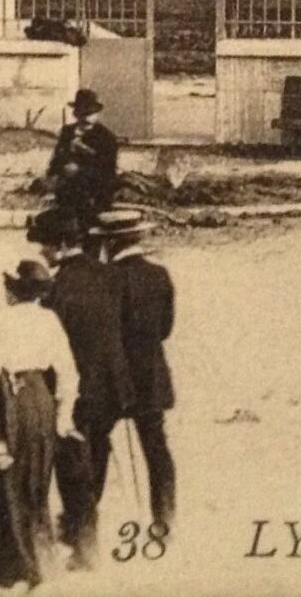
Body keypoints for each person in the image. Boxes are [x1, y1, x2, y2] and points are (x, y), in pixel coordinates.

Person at [0, 259, 77, 590]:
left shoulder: (0, 320)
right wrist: (64, 415)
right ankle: (41, 560)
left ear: (13, 291)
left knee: (4, 484)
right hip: (40, 400)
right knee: (36, 481)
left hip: (9, 403)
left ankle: (12, 568)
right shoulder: (50, 320)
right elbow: (69, 373)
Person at [46, 218, 136, 567]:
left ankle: (83, 544)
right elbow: (128, 327)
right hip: (113, 388)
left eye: (46, 244)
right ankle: (80, 529)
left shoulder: (58, 288)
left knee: (72, 465)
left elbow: (55, 345)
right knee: (95, 452)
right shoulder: (111, 276)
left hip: (79, 389)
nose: (42, 251)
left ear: (61, 245)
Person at [103, 211, 179, 534]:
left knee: (94, 446)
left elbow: (105, 334)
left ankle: (84, 532)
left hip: (114, 379)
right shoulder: (160, 275)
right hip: (151, 376)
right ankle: (165, 522)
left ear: (110, 241)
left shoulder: (106, 279)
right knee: (156, 450)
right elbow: (165, 329)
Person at [44, 89, 120, 239]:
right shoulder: (67, 133)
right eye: (82, 112)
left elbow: (108, 173)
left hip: (94, 194)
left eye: (90, 112)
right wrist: (62, 168)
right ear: (75, 113)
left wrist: (79, 171)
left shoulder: (106, 137)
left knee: (86, 231)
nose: (86, 117)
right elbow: (54, 165)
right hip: (66, 194)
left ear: (97, 114)